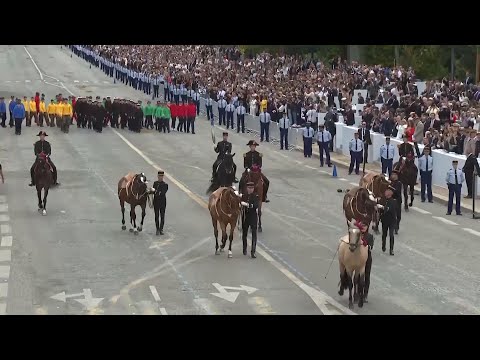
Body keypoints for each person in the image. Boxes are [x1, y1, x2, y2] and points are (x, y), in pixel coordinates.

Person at [241, 182, 259, 258]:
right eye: (249, 188)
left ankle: (253, 252)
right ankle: (244, 248)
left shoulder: (255, 196)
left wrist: (247, 205)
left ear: (253, 189)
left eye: (251, 188)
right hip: (245, 216)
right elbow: (240, 202)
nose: (250, 189)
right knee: (244, 234)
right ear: (247, 188)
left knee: (254, 235)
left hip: (253, 217)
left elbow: (256, 205)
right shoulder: (244, 195)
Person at [150, 170, 169, 235]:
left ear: (163, 176)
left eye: (161, 176)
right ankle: (157, 229)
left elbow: (162, 193)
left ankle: (161, 229)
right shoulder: (155, 183)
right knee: (156, 216)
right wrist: (150, 191)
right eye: (159, 176)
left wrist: (155, 191)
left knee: (162, 216)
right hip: (156, 202)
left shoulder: (165, 185)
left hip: (162, 203)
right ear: (157, 176)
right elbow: (154, 192)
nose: (160, 177)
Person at [381, 187, 397, 255]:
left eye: (387, 191)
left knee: (391, 235)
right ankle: (383, 245)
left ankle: (391, 249)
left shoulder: (393, 201)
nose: (385, 192)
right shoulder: (383, 200)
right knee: (384, 234)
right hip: (384, 220)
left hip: (391, 221)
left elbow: (389, 209)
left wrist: (382, 207)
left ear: (391, 193)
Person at [390, 170, 403, 234]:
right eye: (392, 174)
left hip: (397, 200)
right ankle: (392, 226)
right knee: (392, 215)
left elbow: (397, 191)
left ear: (397, 176)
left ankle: (397, 226)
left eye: (394, 174)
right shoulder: (391, 182)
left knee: (398, 215)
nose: (392, 175)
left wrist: (390, 188)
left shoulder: (399, 183)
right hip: (391, 200)